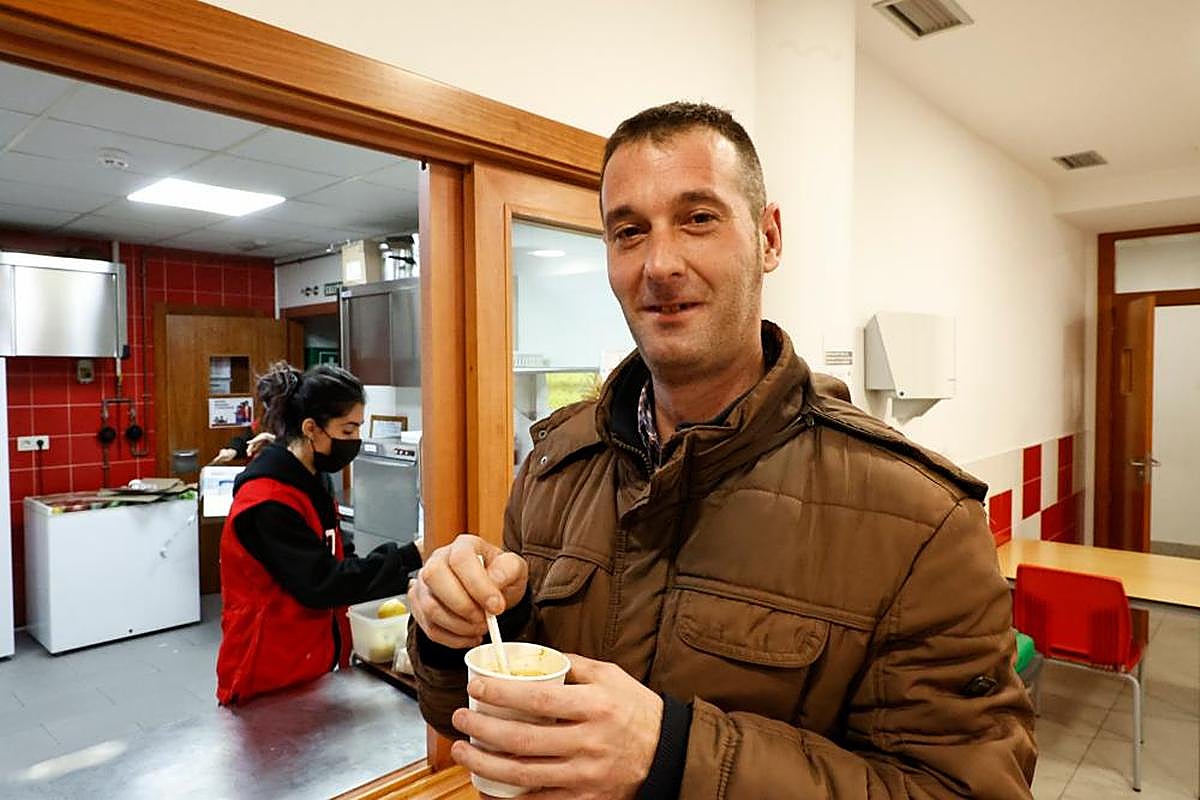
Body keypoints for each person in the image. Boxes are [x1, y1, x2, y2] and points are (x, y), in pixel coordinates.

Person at [407, 102, 1036, 798]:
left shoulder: (923, 520)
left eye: (698, 218)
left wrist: (674, 756)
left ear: (768, 238)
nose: (659, 264)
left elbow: (967, 789)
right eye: (629, 231)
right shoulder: (555, 466)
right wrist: (457, 636)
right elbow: (477, 717)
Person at [216, 362, 422, 705]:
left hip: (314, 662)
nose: (354, 441)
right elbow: (322, 582)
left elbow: (343, 560)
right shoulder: (268, 502)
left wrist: (406, 580)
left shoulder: (313, 479)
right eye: (347, 430)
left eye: (358, 429)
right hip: (266, 672)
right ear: (311, 428)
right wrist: (409, 556)